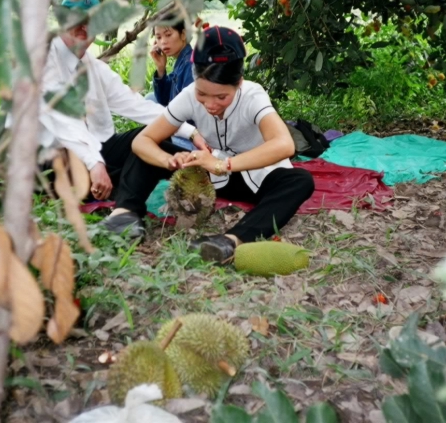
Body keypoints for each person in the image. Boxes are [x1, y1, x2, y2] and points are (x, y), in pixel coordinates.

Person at [117, 25, 316, 262]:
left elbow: (284, 145)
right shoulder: (189, 95)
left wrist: (224, 165)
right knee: (144, 149)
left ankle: (230, 241)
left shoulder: (253, 96)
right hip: (212, 172)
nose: (210, 104)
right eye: (203, 94)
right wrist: (168, 160)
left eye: (221, 97)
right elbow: (144, 140)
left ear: (239, 82)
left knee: (300, 181)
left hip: (258, 176)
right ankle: (125, 215)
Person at [37, 0, 206, 226]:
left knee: (146, 140)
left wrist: (191, 132)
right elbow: (62, 121)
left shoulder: (94, 68)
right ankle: (115, 187)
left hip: (97, 149)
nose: (84, 27)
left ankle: (126, 211)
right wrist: (95, 163)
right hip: (53, 155)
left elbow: (138, 106)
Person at [148, 17, 194, 106]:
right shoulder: (182, 60)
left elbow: (187, 108)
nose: (163, 42)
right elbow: (163, 99)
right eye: (158, 37)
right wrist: (160, 69)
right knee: (150, 98)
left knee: (149, 101)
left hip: (184, 117)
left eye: (168, 35)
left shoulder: (190, 65)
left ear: (183, 34)